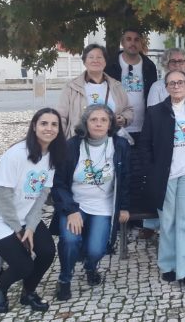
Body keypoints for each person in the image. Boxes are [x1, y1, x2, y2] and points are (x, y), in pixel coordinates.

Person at [0, 108, 68, 314]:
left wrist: (31, 227)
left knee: (47, 252)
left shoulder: (53, 156)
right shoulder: (16, 154)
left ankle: (28, 292)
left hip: (24, 214)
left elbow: (42, 195)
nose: (49, 128)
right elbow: (2, 197)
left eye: (54, 124)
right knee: (23, 265)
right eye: (44, 123)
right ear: (34, 126)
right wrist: (18, 230)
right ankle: (0, 288)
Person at [140, 70, 185, 290]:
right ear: (166, 87)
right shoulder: (155, 112)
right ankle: (168, 264)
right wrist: (152, 170)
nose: (176, 86)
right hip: (165, 175)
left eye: (180, 82)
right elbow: (145, 145)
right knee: (168, 221)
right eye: (171, 83)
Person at [51, 104, 130, 301]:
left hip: (104, 205)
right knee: (70, 240)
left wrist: (124, 207)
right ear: (85, 123)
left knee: (96, 249)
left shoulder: (120, 145)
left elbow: (127, 178)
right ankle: (64, 279)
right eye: (94, 120)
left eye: (104, 120)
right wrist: (70, 210)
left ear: (110, 124)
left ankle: (90, 266)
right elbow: (58, 183)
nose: (98, 124)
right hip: (75, 205)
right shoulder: (72, 146)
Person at [142, 47, 185, 238]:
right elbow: (153, 121)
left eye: (181, 61)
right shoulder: (157, 87)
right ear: (166, 64)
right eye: (173, 61)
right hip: (165, 157)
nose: (178, 64)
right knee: (168, 217)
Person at [57, 44, 133, 138]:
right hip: (79, 140)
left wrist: (123, 119)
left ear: (105, 62)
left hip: (111, 140)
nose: (95, 60)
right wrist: (60, 140)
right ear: (84, 62)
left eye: (99, 57)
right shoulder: (71, 87)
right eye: (91, 57)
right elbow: (61, 117)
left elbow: (128, 110)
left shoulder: (116, 86)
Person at [103, 27, 158, 142]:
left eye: (136, 40)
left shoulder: (149, 66)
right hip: (117, 128)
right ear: (122, 42)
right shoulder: (110, 65)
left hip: (144, 127)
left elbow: (153, 95)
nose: (133, 43)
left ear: (141, 43)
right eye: (128, 39)